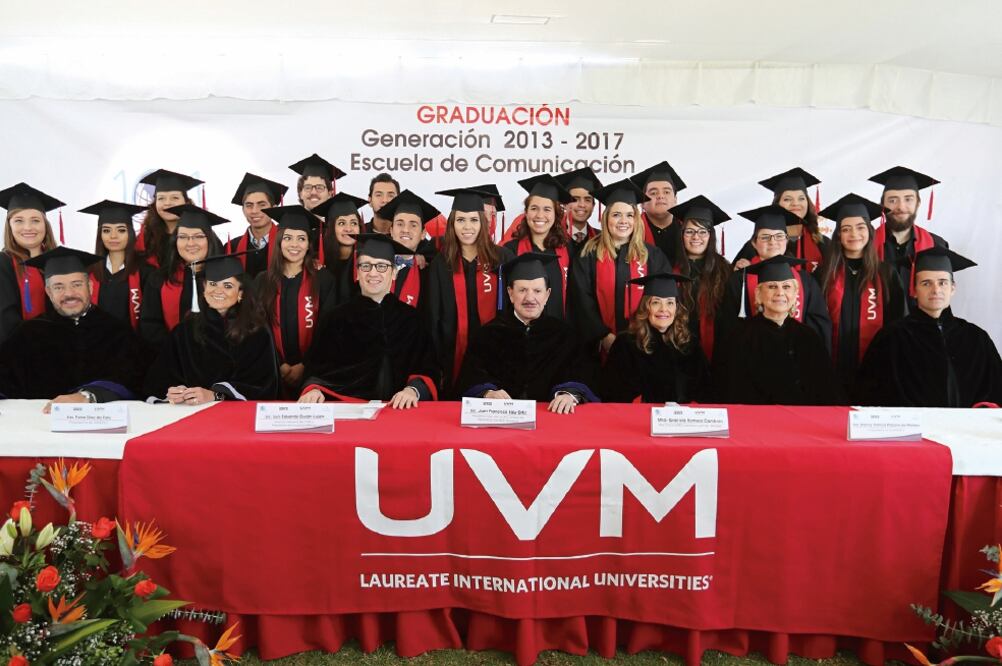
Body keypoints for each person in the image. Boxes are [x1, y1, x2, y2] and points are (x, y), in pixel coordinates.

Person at [299, 234, 439, 408]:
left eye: (381, 266)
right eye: (366, 266)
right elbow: (316, 369)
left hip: (399, 412)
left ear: (394, 272)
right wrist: (314, 390)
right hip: (349, 411)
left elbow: (428, 368)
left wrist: (413, 390)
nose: (373, 273)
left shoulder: (412, 320)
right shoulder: (336, 319)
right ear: (357, 272)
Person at [0, 247, 147, 411]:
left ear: (90, 287)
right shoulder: (28, 333)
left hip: (100, 424)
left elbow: (132, 378)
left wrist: (88, 395)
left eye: (76, 285)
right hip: (40, 424)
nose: (69, 294)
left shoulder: (117, 331)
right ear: (48, 292)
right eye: (58, 287)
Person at [855, 247, 1001, 407]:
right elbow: (870, 395)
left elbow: (996, 390)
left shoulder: (976, 338)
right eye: (926, 283)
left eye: (942, 283)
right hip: (915, 430)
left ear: (953, 288)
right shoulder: (892, 338)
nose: (936, 290)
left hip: (968, 430)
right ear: (914, 290)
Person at [457, 253, 598, 414]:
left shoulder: (565, 335)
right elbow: (471, 375)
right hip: (501, 419)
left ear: (547, 295)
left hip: (552, 418)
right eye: (522, 290)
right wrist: (487, 392)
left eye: (537, 291)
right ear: (510, 293)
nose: (530, 298)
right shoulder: (488, 334)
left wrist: (569, 394)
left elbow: (581, 373)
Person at [144, 254, 279, 403]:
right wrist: (174, 392)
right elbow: (161, 377)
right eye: (213, 284)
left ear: (241, 293)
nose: (218, 291)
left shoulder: (257, 332)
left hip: (234, 416)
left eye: (228, 286)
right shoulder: (185, 330)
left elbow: (262, 387)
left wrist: (216, 395)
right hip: (189, 413)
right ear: (203, 288)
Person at [717, 256, 843, 406]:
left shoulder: (808, 337)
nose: (780, 293)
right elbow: (732, 390)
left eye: (786, 287)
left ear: (795, 293)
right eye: (772, 286)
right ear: (759, 294)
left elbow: (826, 390)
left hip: (801, 420)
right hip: (757, 420)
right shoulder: (740, 337)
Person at [427, 189, 514, 397]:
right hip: (452, 354)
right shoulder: (442, 263)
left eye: (474, 220)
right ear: (452, 224)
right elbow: (433, 316)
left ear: (483, 223)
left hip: (497, 354)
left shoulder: (502, 258)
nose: (467, 227)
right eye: (461, 220)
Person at [570, 178, 671, 357]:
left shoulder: (653, 256)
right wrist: (603, 336)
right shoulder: (588, 255)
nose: (623, 221)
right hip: (598, 347)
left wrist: (645, 335)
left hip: (645, 344)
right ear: (606, 217)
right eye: (616, 214)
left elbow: (661, 299)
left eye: (629, 215)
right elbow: (581, 301)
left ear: (636, 220)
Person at [817, 194, 906, 392]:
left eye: (860, 227)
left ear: (869, 231)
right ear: (838, 235)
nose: (853, 234)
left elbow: (898, 322)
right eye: (845, 229)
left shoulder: (886, 273)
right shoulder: (824, 273)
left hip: (876, 371)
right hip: (831, 369)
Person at [718, 205, 833, 354]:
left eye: (779, 236)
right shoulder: (739, 280)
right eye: (765, 237)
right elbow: (728, 330)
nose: (773, 242)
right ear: (753, 243)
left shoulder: (806, 280)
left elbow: (819, 326)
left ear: (786, 240)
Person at [254, 205, 337, 398]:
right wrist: (279, 364)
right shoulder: (262, 281)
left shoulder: (323, 280)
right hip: (273, 374)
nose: (294, 244)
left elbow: (328, 329)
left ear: (309, 244)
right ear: (279, 242)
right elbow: (259, 329)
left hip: (313, 375)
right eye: (288, 238)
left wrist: (305, 365)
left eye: (301, 238)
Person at [602, 273, 712, 403]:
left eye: (670, 303)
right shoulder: (626, 344)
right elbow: (613, 392)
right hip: (639, 418)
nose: (663, 309)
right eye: (656, 302)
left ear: (677, 308)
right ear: (645, 307)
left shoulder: (689, 344)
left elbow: (706, 391)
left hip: (683, 419)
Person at [138, 204, 226, 349]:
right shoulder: (159, 279)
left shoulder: (229, 278)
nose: (190, 243)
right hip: (173, 360)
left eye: (198, 236)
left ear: (209, 240)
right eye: (183, 237)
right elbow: (150, 325)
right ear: (175, 242)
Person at [868, 166, 948, 310]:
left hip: (921, 328)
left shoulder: (936, 244)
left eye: (908, 199)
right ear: (882, 205)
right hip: (878, 327)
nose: (901, 206)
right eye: (892, 200)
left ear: (918, 203)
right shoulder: (866, 244)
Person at [668, 195, 732, 362]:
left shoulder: (725, 271)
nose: (696, 237)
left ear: (710, 235)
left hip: (719, 351)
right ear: (682, 235)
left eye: (702, 231)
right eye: (689, 231)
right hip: (678, 349)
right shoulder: (669, 268)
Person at [502, 175, 575, 319]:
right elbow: (505, 297)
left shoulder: (569, 249)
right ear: (526, 212)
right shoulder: (510, 250)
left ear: (556, 214)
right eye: (534, 208)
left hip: (561, 334)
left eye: (547, 209)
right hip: (521, 335)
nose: (540, 215)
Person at [733, 168, 828, 275]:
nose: (795, 204)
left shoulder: (822, 243)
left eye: (801, 198)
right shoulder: (758, 245)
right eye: (787, 199)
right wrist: (743, 271)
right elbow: (736, 282)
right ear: (777, 204)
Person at [0, 183, 62, 344]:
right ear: (10, 226)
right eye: (19, 221)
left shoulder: (58, 261)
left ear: (45, 225)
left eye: (35, 220)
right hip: (19, 354)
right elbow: (5, 319)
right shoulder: (3, 263)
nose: (28, 227)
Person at [79, 199, 153, 331]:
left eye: (121, 230)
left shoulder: (145, 272)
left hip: (134, 346)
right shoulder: (89, 272)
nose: (113, 236)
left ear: (130, 233)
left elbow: (150, 320)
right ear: (100, 235)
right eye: (106, 231)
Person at [378, 190, 439, 308]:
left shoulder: (429, 274)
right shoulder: (372, 267)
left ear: (423, 234)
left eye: (413, 225)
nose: (405, 230)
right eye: (400, 224)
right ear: (391, 230)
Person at [134, 169, 203, 269]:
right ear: (155, 203)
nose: (167, 203)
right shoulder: (145, 237)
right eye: (161, 198)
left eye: (175, 198)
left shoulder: (201, 235)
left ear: (186, 202)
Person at [226, 172, 289, 278]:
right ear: (243, 210)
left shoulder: (287, 243)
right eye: (249, 205)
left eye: (262, 205)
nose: (254, 211)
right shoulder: (232, 247)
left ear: (273, 208)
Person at [315, 192, 368, 306]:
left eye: (354, 223)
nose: (348, 228)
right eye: (341, 223)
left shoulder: (368, 262)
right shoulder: (318, 261)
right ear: (332, 228)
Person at [630, 160, 687, 263]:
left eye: (666, 192)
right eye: (653, 193)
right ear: (642, 203)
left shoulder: (689, 230)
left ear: (675, 199)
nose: (660, 196)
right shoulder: (629, 230)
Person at [555, 167, 602, 245]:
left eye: (587, 200)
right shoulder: (550, 236)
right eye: (575, 199)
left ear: (593, 206)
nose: (582, 205)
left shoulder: (600, 239)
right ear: (565, 203)